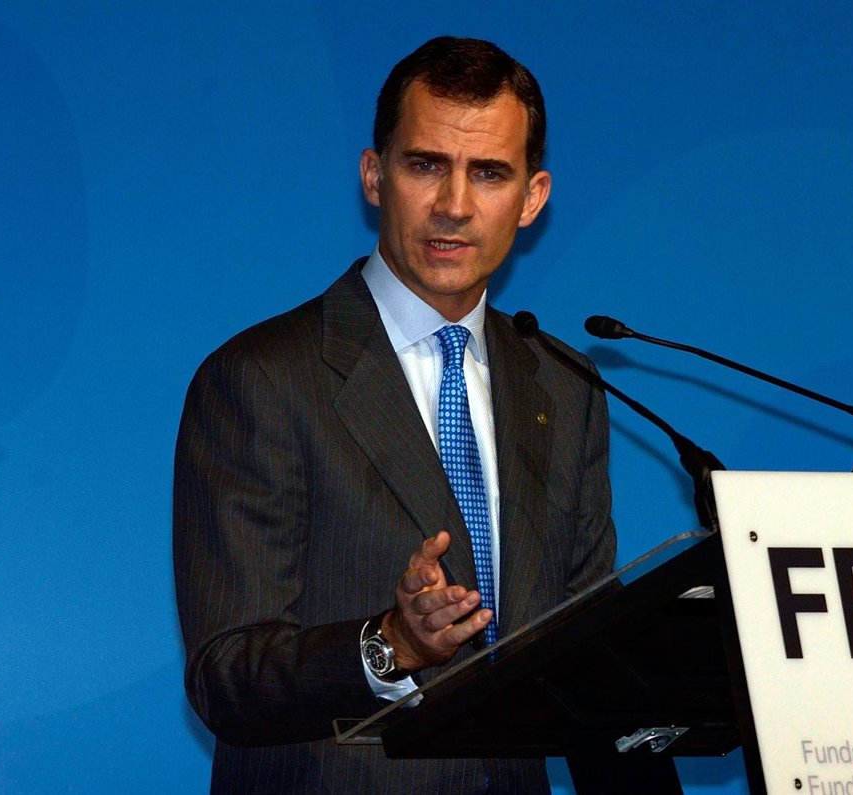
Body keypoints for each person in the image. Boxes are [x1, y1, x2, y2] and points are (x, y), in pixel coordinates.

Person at [173, 36, 617, 793]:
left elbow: (589, 645)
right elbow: (228, 676)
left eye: (489, 173)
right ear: (375, 176)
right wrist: (390, 645)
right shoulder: (261, 378)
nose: (454, 205)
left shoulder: (564, 386)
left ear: (532, 197)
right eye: (425, 165)